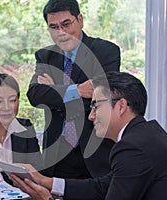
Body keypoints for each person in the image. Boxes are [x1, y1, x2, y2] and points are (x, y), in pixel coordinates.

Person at [11, 71, 167, 200]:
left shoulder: (132, 148)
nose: (90, 116)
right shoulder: (145, 134)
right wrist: (45, 181)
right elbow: (102, 187)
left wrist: (47, 199)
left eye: (95, 106)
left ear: (121, 106)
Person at [27, 0, 120, 179]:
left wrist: (54, 92)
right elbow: (35, 96)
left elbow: (102, 97)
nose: (61, 33)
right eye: (53, 27)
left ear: (80, 20)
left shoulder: (105, 52)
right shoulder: (45, 56)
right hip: (56, 154)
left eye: (66, 24)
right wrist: (76, 90)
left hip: (94, 154)